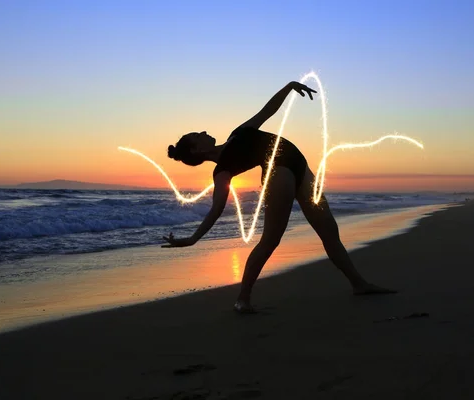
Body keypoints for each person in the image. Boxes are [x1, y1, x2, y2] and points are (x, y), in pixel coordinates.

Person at [163, 81, 396, 313]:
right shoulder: (222, 171)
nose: (203, 132)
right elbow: (216, 210)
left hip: (300, 166)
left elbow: (267, 111)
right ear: (196, 151)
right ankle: (243, 299)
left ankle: (359, 284)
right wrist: (193, 239)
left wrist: (289, 87)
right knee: (271, 240)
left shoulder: (238, 133)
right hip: (278, 172)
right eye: (197, 135)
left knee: (329, 231)